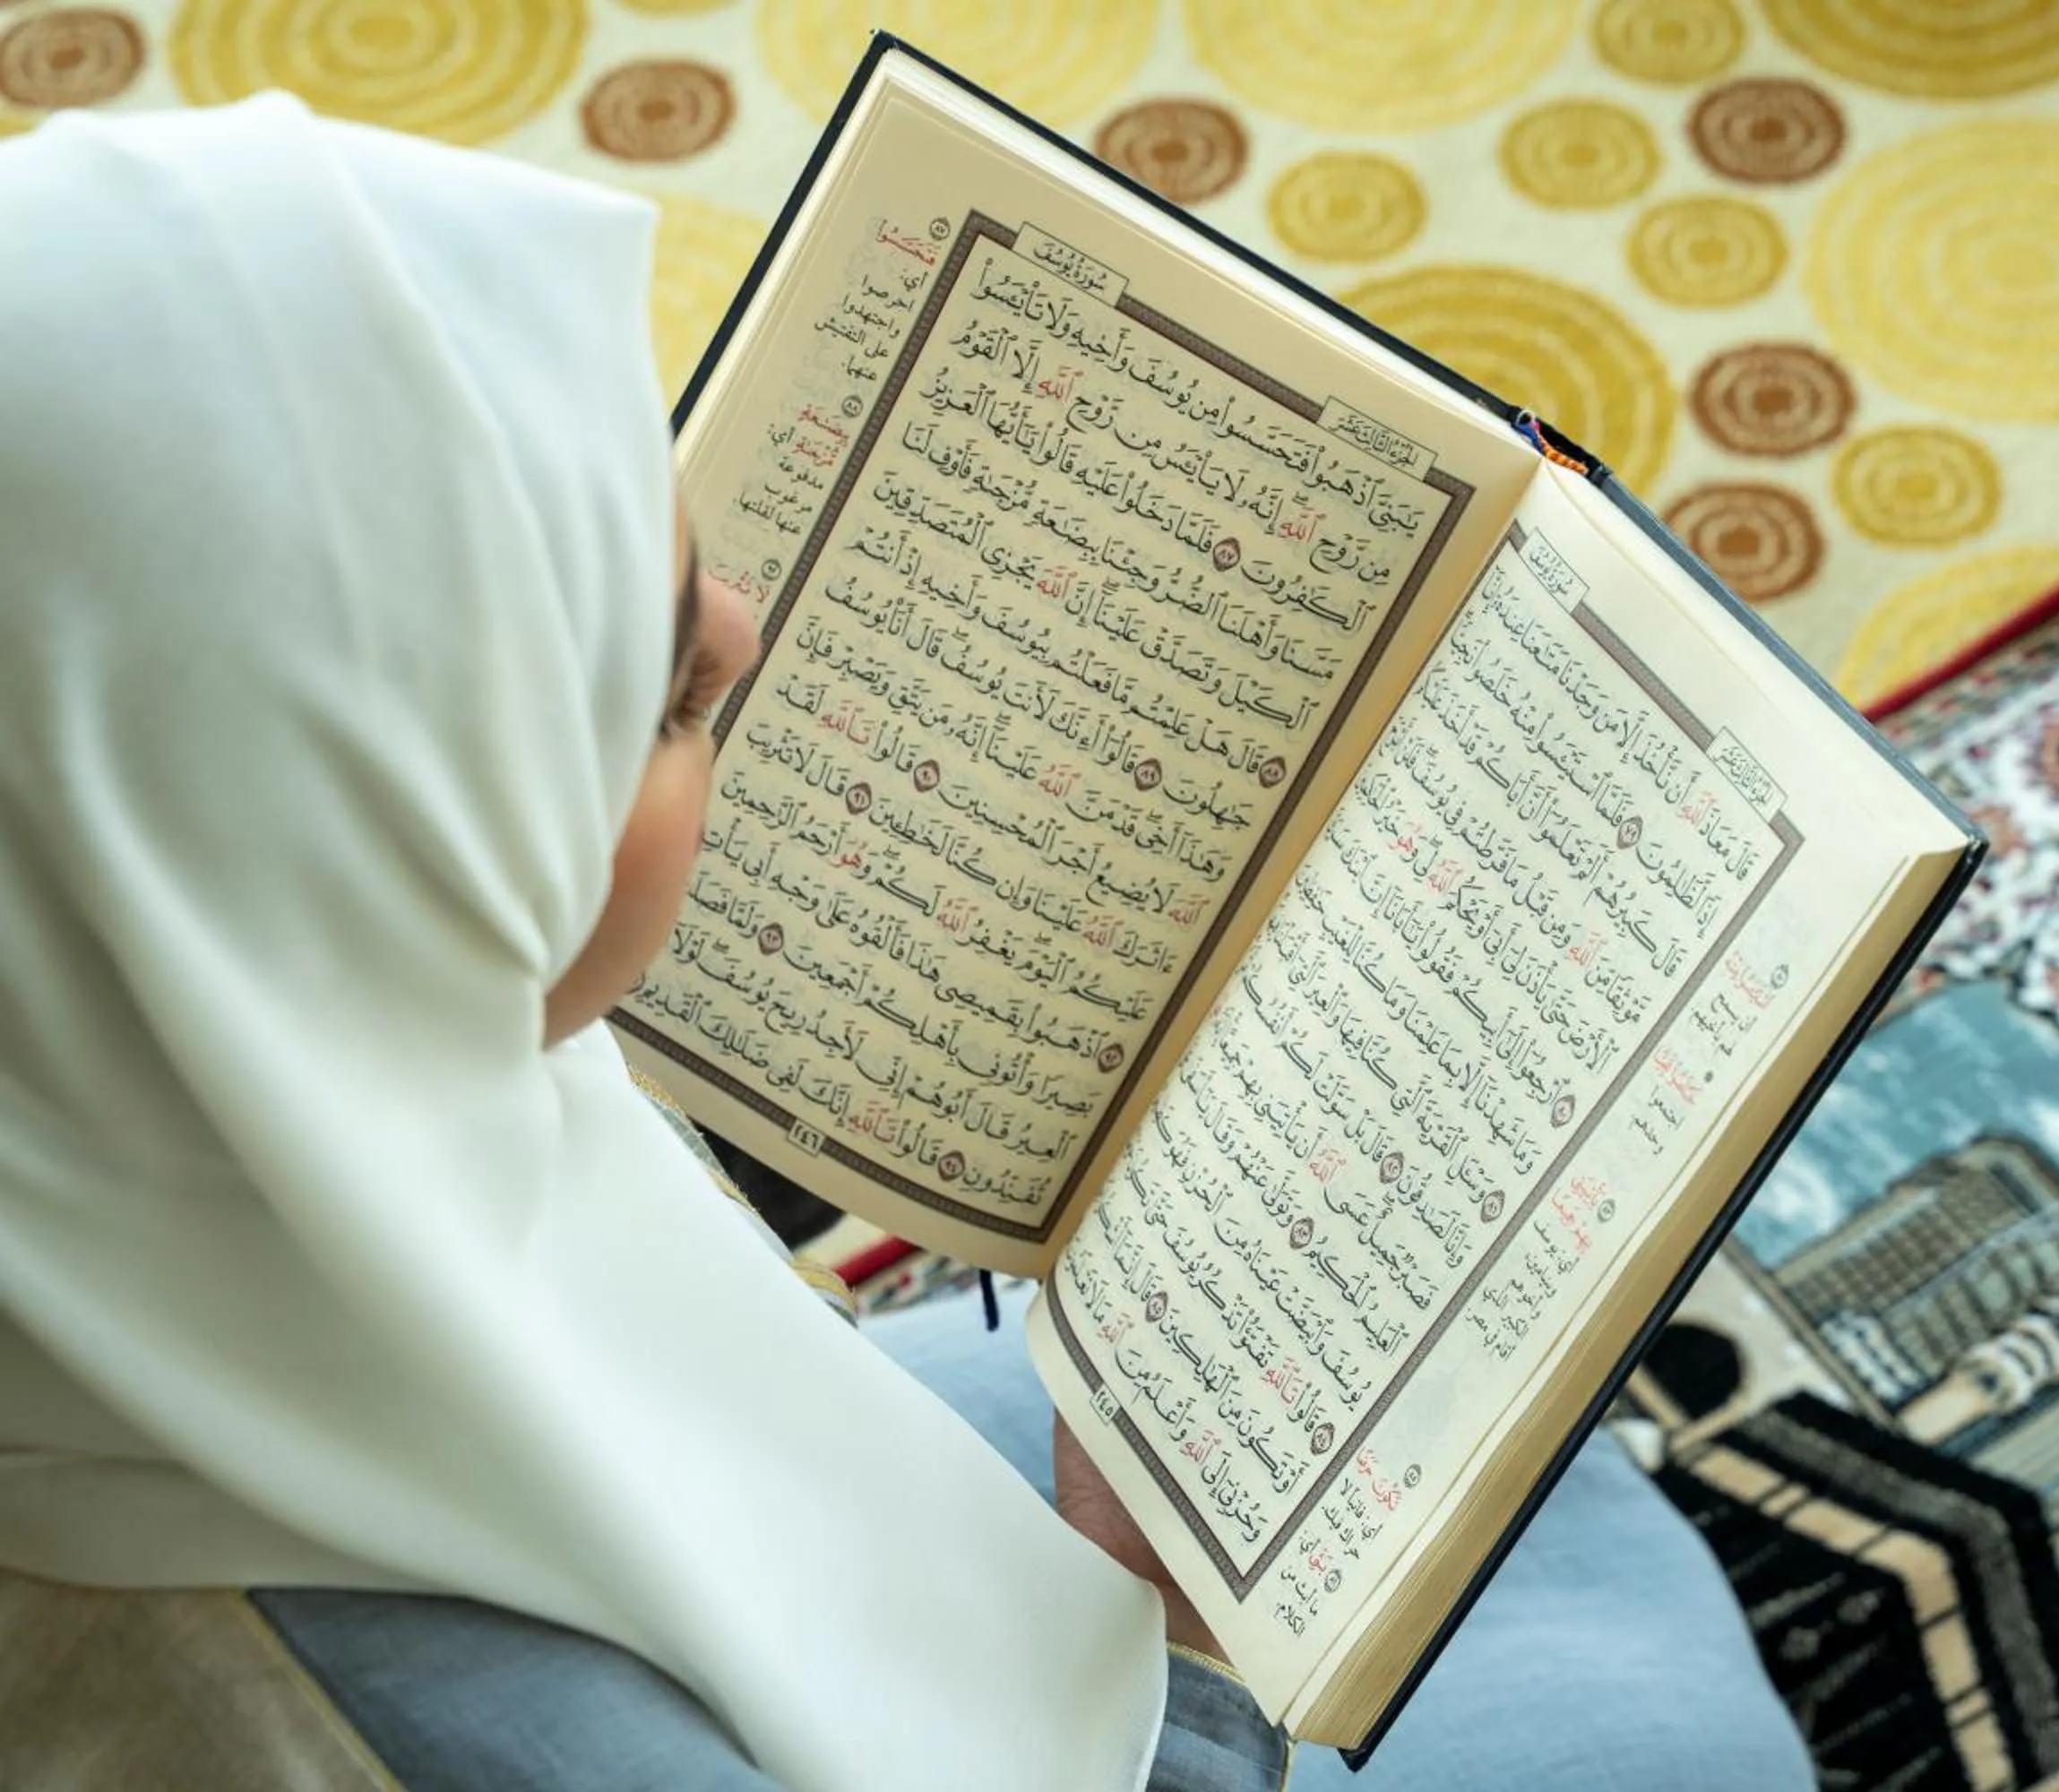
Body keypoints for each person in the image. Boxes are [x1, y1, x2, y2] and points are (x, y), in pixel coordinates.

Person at [0, 94, 1809, 1790]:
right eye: (653, 690)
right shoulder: (434, 1735)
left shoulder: (137, 1062)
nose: (745, 624)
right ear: (332, 883)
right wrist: (1174, 1636)